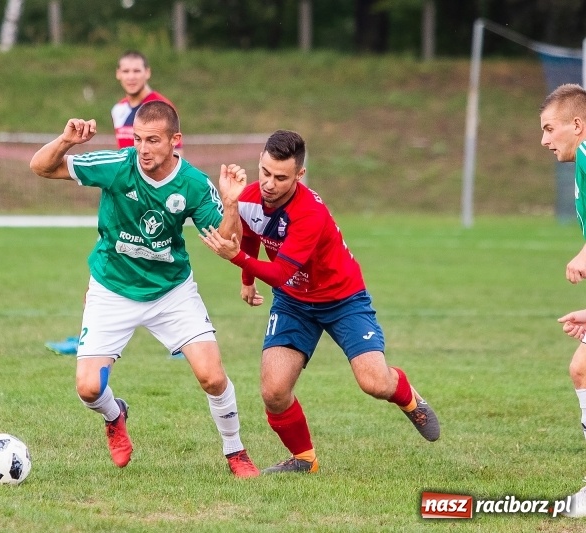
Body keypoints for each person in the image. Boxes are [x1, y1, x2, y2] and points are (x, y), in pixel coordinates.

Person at [29, 100, 259, 477]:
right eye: (138, 139)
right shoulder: (118, 166)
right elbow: (40, 166)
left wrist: (232, 204)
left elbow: (227, 245)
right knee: (88, 389)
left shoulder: (194, 185)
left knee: (212, 377)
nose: (143, 148)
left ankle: (235, 451)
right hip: (112, 288)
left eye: (153, 140)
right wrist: (66, 140)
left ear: (175, 141)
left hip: (171, 291)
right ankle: (114, 415)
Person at [199, 129, 440, 475]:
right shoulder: (251, 196)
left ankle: (408, 397)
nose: (268, 183)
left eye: (280, 177)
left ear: (299, 175)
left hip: (342, 298)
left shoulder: (309, 212)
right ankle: (304, 460)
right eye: (264, 172)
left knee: (374, 383)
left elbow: (280, 272)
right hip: (293, 303)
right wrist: (247, 279)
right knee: (274, 391)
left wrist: (237, 259)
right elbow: (250, 234)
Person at [540, 83, 586, 517]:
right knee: (582, 368)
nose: (544, 140)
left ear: (577, 124)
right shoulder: (583, 162)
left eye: (549, 128)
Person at [112, 50, 179, 149]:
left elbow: (176, 153)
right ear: (118, 74)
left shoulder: (162, 108)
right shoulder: (118, 109)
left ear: (147, 73)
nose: (131, 77)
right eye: (126, 71)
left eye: (137, 71)